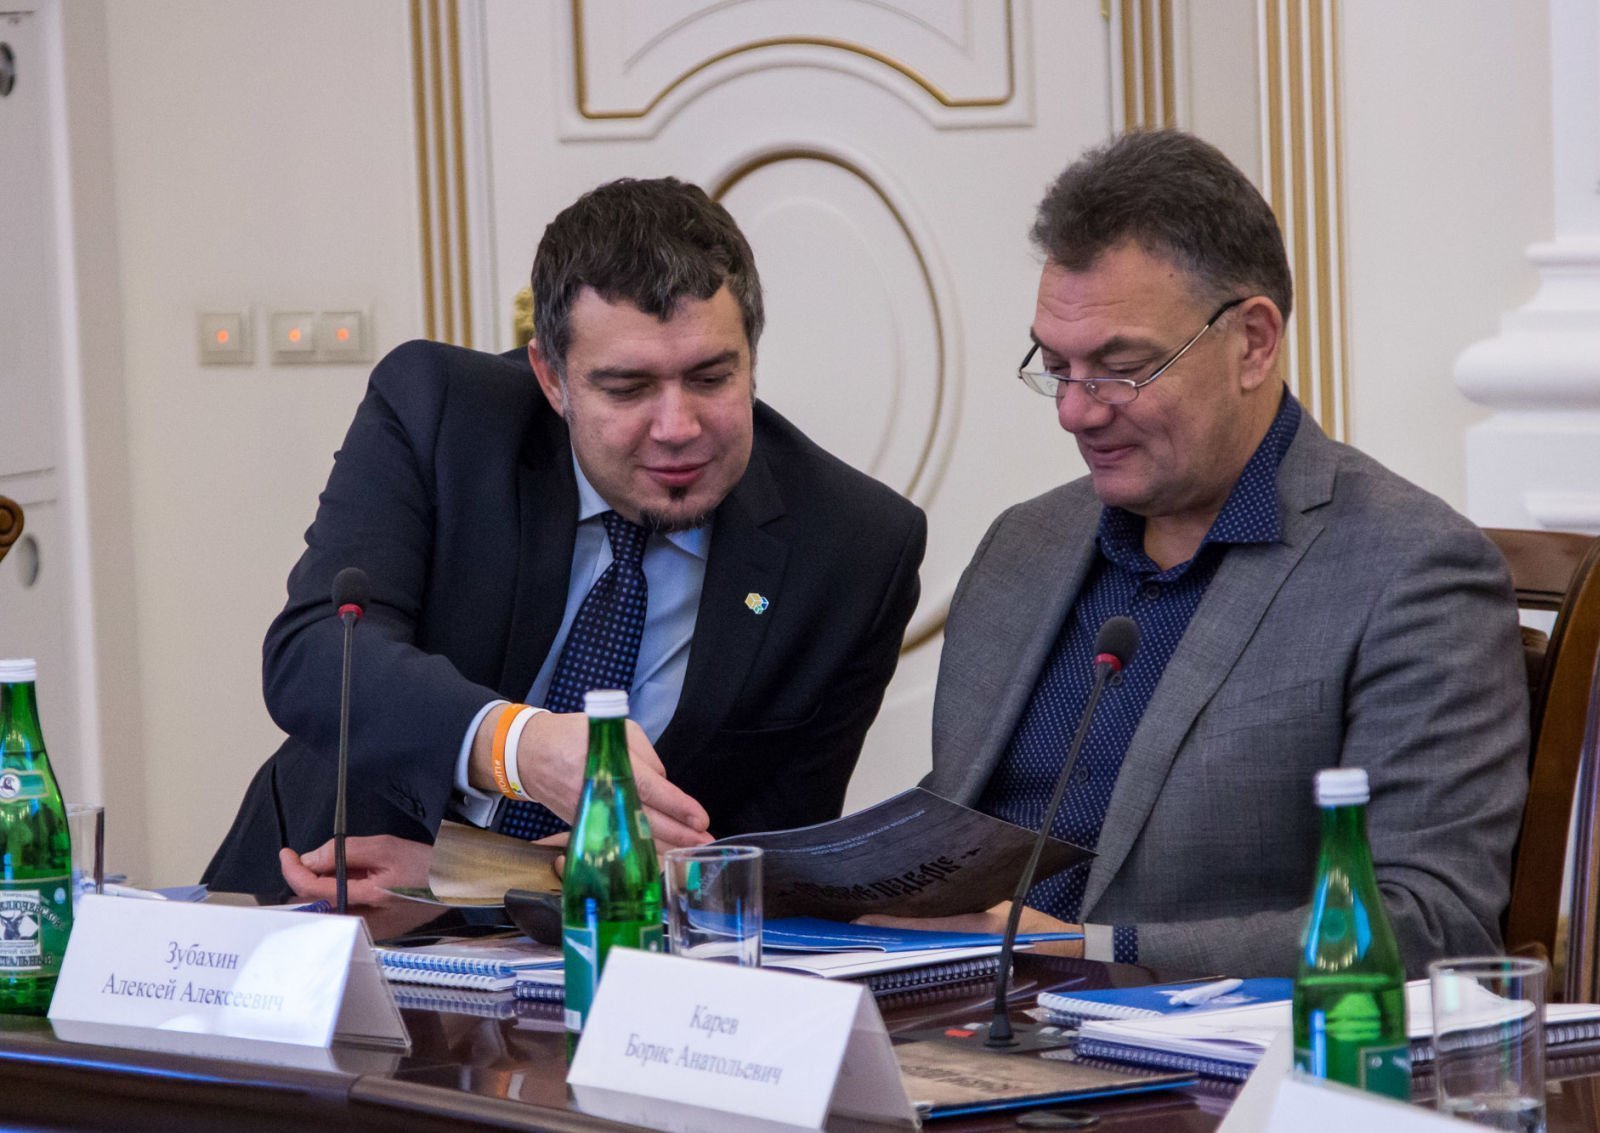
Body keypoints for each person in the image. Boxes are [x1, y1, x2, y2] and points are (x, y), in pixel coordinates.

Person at [876, 130, 1527, 977]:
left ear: (1253, 341)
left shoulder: (1411, 572)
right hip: (945, 1015)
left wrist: (1084, 950)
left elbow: (1429, 922)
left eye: (1121, 367)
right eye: (1057, 364)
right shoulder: (1023, 546)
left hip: (1187, 1048)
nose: (1075, 411)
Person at [204, 177, 927, 902]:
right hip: (323, 897)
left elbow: (764, 858)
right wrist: (519, 747)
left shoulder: (854, 548)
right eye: (627, 388)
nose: (677, 427)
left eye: (711, 378)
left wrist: (471, 882)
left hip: (613, 944)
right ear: (552, 379)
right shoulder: (441, 416)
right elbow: (316, 654)